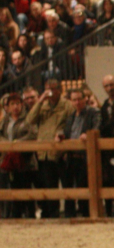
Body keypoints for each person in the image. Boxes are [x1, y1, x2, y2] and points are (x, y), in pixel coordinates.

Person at [26, 78, 74, 218]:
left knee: (66, 184)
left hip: (61, 152)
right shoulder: (42, 105)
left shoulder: (67, 105)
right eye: (48, 89)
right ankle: (53, 214)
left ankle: (70, 213)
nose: (50, 92)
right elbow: (30, 120)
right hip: (44, 152)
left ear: (60, 89)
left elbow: (71, 124)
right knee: (49, 185)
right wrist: (40, 101)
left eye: (53, 89)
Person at [61, 88, 101, 217]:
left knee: (85, 186)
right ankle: (69, 215)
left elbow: (97, 127)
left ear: (85, 99)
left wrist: (88, 135)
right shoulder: (71, 116)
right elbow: (67, 132)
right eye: (74, 100)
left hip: (86, 157)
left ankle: (86, 215)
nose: (77, 102)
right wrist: (60, 136)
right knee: (68, 188)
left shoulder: (93, 112)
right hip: (71, 157)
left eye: (79, 99)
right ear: (71, 101)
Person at [0, 93, 37, 219]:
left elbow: (32, 135)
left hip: (25, 160)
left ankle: (30, 214)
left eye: (17, 104)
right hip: (9, 160)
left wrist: (17, 144)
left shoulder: (28, 119)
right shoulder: (5, 121)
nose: (15, 107)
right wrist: (7, 144)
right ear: (8, 107)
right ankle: (15, 215)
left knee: (26, 188)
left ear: (21, 105)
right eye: (12, 104)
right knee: (13, 188)